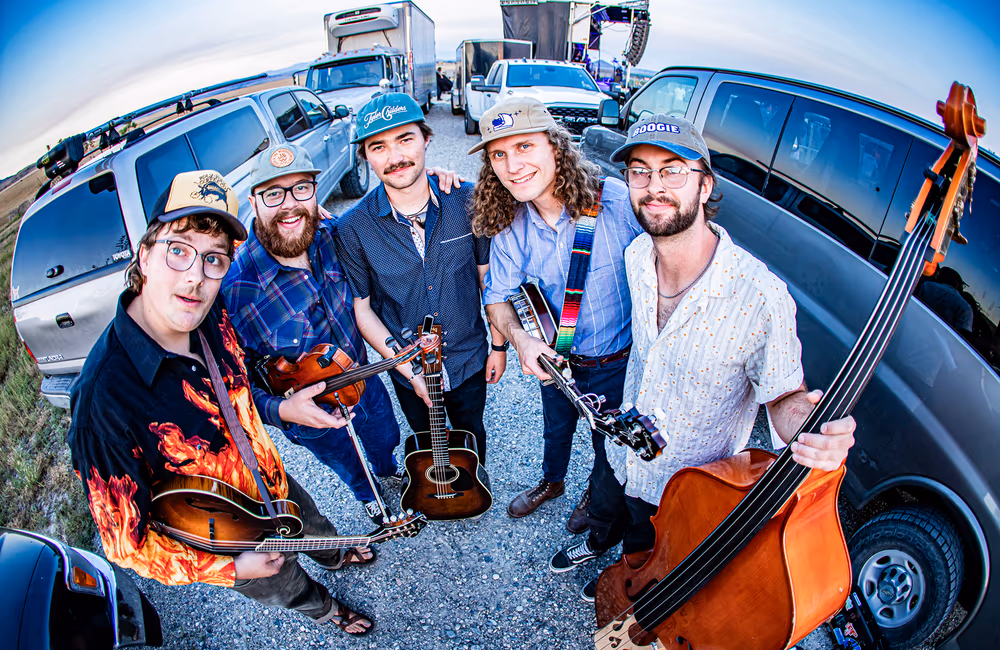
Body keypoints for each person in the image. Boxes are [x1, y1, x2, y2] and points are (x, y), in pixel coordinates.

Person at [544, 114, 857, 602]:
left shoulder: (760, 296)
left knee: (657, 579)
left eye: (673, 171)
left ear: (706, 186)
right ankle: (609, 560)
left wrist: (812, 430)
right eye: (640, 171)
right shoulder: (636, 256)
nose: (653, 187)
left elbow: (786, 397)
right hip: (628, 455)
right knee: (621, 527)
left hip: (688, 492)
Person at [67, 171, 374, 634]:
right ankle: (328, 609)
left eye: (214, 258)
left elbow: (241, 384)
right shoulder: (102, 402)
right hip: (228, 538)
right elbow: (126, 547)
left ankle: (334, 553)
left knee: (312, 524)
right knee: (285, 586)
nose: (195, 276)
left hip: (271, 479)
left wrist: (281, 408)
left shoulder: (210, 315)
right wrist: (230, 570)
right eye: (179, 250)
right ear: (145, 256)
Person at [471, 96, 643, 534]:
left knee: (609, 447)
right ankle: (552, 481)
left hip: (619, 364)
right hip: (558, 362)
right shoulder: (511, 226)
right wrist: (521, 338)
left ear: (556, 146)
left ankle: (598, 494)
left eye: (524, 147)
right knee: (556, 428)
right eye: (499, 155)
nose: (512, 166)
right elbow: (496, 297)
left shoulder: (618, 203)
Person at [221, 143, 404, 526]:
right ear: (254, 203)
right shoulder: (234, 291)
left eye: (301, 188)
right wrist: (282, 410)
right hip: (310, 410)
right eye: (274, 194)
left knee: (385, 435)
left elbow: (393, 213)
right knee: (343, 460)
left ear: (315, 192)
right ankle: (367, 493)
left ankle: (386, 470)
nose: (290, 204)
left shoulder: (334, 235)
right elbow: (233, 385)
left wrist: (435, 181)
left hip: (361, 379)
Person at [336, 92, 505, 469]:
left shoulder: (467, 201)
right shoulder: (352, 228)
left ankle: (473, 485)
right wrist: (408, 370)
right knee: (427, 438)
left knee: (471, 429)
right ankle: (436, 489)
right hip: (406, 364)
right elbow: (363, 312)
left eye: (405, 139)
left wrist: (498, 347)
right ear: (365, 156)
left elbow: (488, 283)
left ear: (427, 139)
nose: (394, 157)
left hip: (468, 356)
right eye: (378, 146)